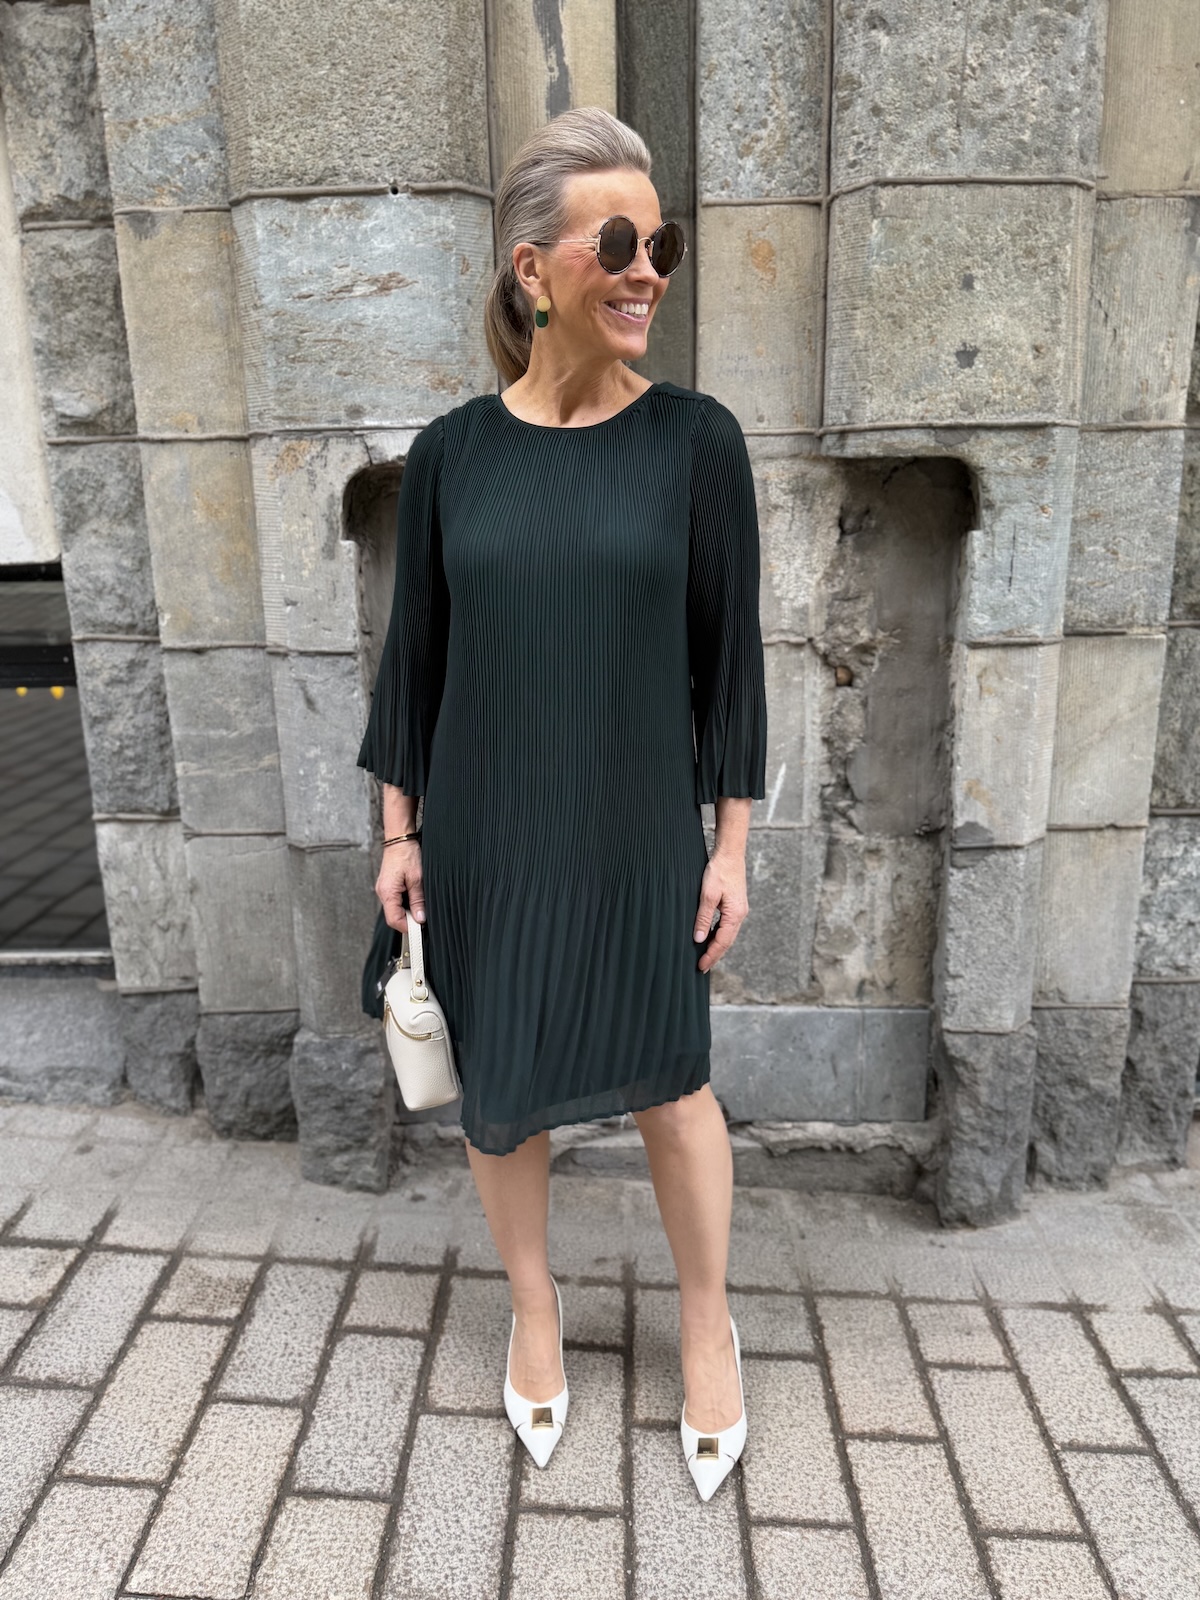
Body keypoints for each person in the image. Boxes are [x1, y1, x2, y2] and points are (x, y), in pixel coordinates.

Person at [356, 106, 767, 1501]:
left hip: (637, 827)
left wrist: (729, 848)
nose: (648, 270)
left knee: (676, 1087)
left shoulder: (697, 443)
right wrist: (400, 834)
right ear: (534, 270)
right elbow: (417, 659)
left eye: (660, 243)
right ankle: (535, 1314)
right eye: (618, 242)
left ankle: (705, 1325)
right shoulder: (455, 453)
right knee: (508, 1090)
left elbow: (730, 661)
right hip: (489, 832)